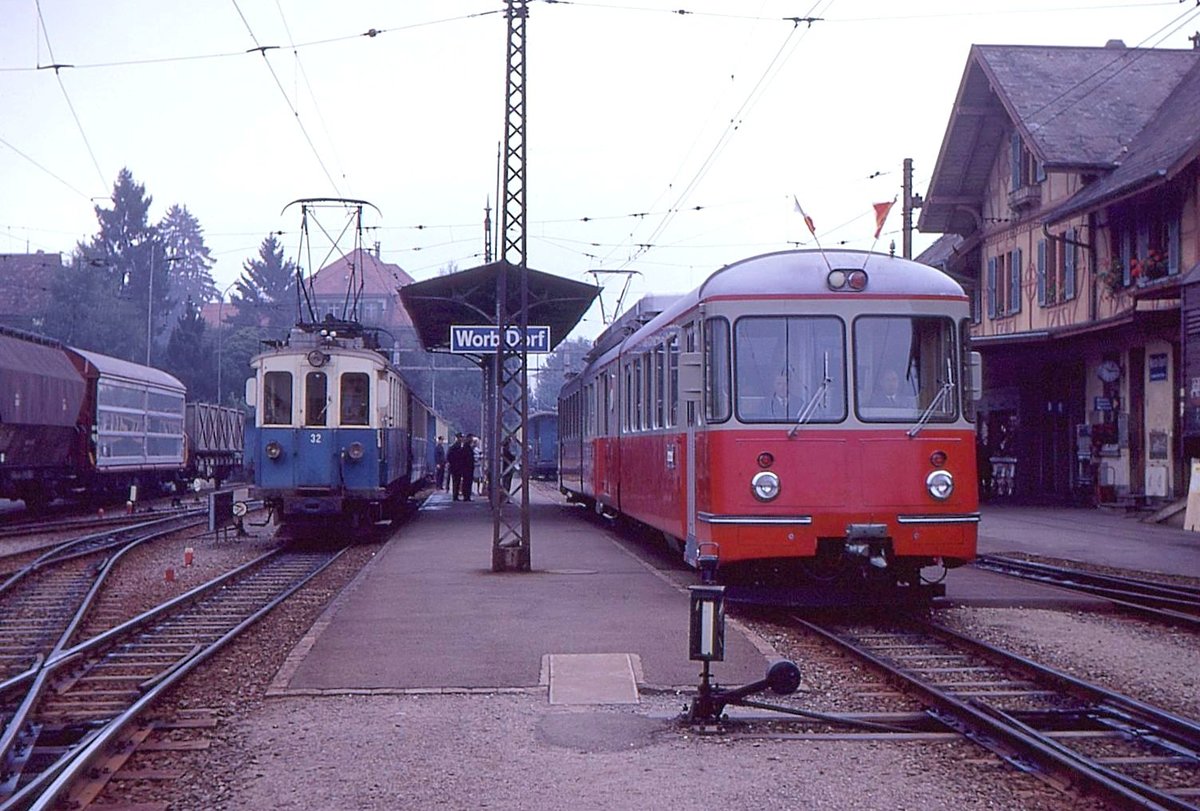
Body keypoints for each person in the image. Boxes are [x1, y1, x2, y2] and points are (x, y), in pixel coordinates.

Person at [446, 433, 474, 501]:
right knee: (457, 482)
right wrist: (455, 464)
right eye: (461, 437)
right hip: (457, 467)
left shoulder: (459, 447)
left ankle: (456, 496)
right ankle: (456, 496)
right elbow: (451, 457)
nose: (462, 439)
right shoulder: (456, 447)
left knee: (457, 482)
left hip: (458, 467)